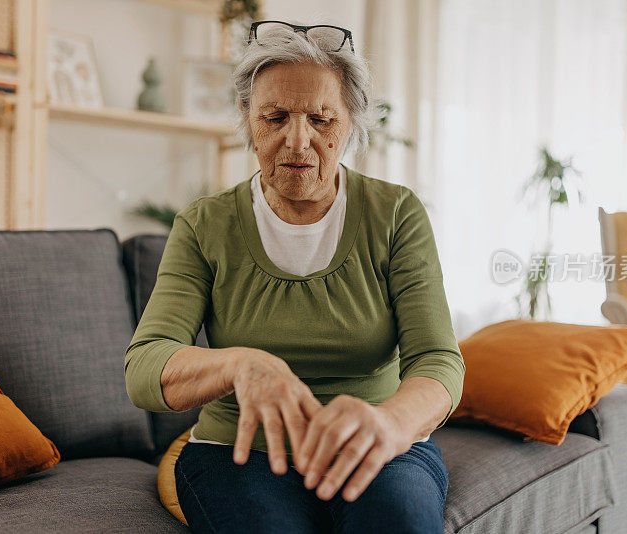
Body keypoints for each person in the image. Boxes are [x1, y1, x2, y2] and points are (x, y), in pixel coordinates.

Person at [124, 19, 465, 534]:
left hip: (377, 444)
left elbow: (438, 361)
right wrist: (241, 364)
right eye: (275, 116)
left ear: (351, 121)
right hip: (239, 451)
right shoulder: (204, 224)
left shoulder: (395, 214)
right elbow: (145, 366)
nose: (297, 141)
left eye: (322, 120)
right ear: (247, 118)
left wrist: (390, 423)